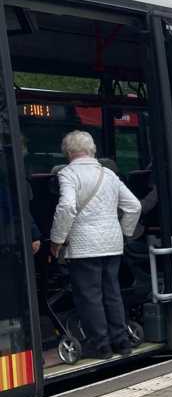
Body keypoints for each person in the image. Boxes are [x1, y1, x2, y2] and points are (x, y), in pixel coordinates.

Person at [49, 131, 141, 359]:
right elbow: (134, 206)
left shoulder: (68, 173)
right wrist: (124, 232)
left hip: (83, 247)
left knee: (90, 296)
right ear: (92, 150)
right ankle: (122, 342)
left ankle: (100, 346)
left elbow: (67, 207)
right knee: (112, 292)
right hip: (112, 244)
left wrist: (57, 240)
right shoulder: (108, 173)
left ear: (68, 152)